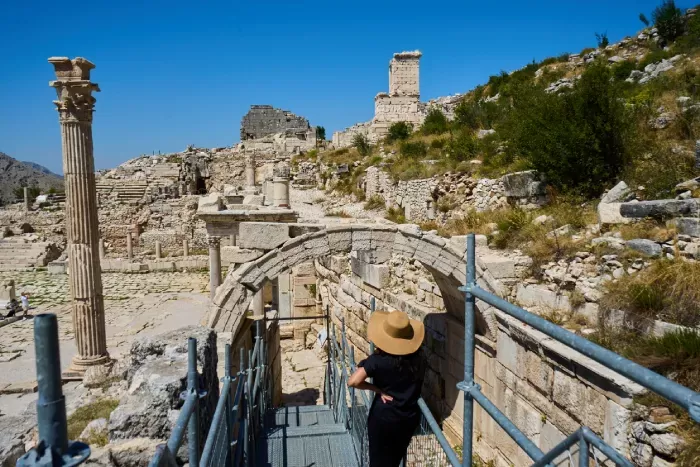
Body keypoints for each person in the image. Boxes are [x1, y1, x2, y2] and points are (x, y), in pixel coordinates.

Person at [348, 310, 426, 467]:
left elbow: (353, 382)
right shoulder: (419, 359)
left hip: (384, 418)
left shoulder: (377, 361)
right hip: (408, 417)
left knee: (378, 461)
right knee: (395, 459)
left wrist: (377, 389)